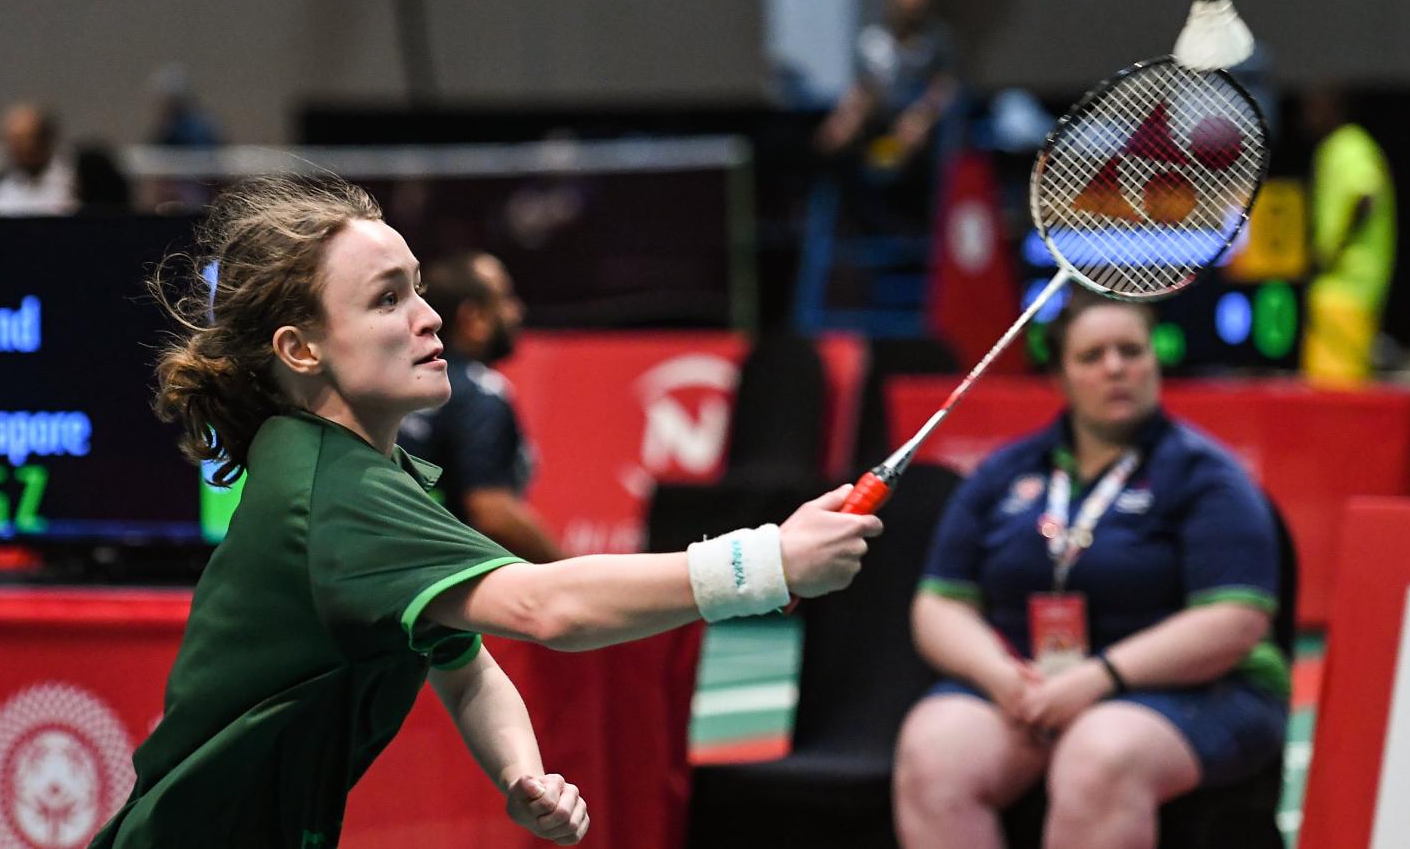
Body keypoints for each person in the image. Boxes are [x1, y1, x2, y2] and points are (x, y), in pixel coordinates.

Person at [90, 175, 882, 847]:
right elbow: (547, 607)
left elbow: (465, 666)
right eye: (386, 299)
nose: (428, 317)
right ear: (302, 350)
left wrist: (519, 772)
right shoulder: (336, 493)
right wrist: (767, 563)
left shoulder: (364, 471)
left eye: (419, 289)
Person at [892, 288, 1288, 849]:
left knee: (1098, 755)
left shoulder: (1207, 476)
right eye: (1092, 355)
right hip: (1031, 685)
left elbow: (1235, 621)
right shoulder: (1005, 472)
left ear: (1156, 360)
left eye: (1132, 350)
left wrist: (1099, 678)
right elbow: (940, 604)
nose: (1116, 368)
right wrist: (1000, 678)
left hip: (1199, 688)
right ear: (1060, 376)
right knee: (933, 753)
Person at [397, 251, 564, 563]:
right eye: (505, 298)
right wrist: (569, 572)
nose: (517, 311)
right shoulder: (481, 392)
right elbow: (492, 512)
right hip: (446, 578)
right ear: (473, 319)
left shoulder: (397, 382)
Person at [814, 0, 960, 232]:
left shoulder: (936, 42)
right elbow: (863, 90)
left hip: (918, 134)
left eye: (915, 7)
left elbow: (944, 89)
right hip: (878, 125)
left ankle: (895, 201)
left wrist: (921, 116)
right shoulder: (871, 41)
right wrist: (846, 117)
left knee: (912, 133)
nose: (908, 12)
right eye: (902, 5)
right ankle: (855, 213)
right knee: (838, 132)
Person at [1299, 87, 1395, 386]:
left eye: (1314, 107)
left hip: (1346, 287)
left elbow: (1366, 196)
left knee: (1335, 395)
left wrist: (1334, 249)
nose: (1307, 117)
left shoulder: (1348, 145)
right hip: (1344, 286)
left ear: (1334, 107)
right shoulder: (1341, 147)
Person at [0, 103, 76, 216]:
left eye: (24, 139)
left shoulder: (75, 185)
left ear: (44, 140)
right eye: (12, 140)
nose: (17, 147)